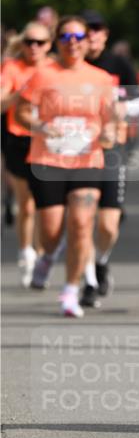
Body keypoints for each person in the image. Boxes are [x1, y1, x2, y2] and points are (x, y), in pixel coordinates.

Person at [15, 15, 115, 317]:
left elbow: (110, 119)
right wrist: (43, 126)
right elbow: (21, 113)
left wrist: (111, 131)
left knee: (83, 224)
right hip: (48, 160)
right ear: (57, 42)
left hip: (88, 160)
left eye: (78, 38)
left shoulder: (101, 78)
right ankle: (46, 257)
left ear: (87, 42)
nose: (72, 44)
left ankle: (70, 290)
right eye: (66, 38)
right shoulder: (43, 75)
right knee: (51, 233)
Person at [79, 9, 139, 308]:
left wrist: (124, 108)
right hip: (74, 152)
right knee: (80, 220)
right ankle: (88, 281)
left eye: (97, 29)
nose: (91, 35)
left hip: (111, 148)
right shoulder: (69, 64)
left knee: (107, 225)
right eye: (85, 30)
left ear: (105, 34)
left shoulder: (118, 64)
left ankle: (101, 261)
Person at [1, 20, 53, 285]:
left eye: (40, 42)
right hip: (19, 139)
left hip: (48, 141)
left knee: (47, 206)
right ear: (22, 44)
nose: (34, 47)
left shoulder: (54, 69)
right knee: (28, 204)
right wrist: (20, 95)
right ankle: (27, 254)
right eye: (29, 42)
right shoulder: (12, 68)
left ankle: (42, 253)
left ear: (49, 45)